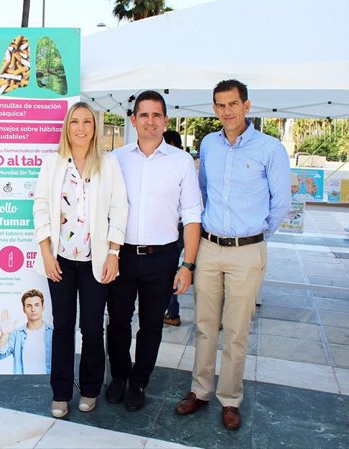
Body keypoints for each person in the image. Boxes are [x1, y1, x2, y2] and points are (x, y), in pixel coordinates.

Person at [175, 79, 291, 430]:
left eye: (233, 104)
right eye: (220, 105)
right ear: (214, 109)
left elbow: (281, 203)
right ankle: (201, 390)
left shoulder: (270, 149)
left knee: (237, 330)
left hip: (247, 251)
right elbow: (205, 191)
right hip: (210, 248)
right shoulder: (209, 144)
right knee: (206, 326)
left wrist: (255, 235)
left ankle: (230, 398)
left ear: (246, 106)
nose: (227, 111)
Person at [106, 91, 203, 412]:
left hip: (162, 258)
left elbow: (191, 214)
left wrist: (187, 264)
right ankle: (119, 376)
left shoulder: (181, 162)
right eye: (143, 115)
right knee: (118, 322)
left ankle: (139, 381)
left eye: (156, 115)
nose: (150, 121)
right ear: (133, 120)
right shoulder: (114, 159)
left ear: (165, 120)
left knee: (152, 325)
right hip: (121, 255)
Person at [33, 101, 128, 418]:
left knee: (91, 327)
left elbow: (119, 210)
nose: (81, 128)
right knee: (62, 327)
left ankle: (89, 389)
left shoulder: (109, 164)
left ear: (95, 127)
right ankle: (60, 393)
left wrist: (114, 253)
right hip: (59, 260)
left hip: (96, 261)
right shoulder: (53, 164)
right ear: (67, 126)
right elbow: (41, 209)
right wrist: (46, 254)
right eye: (75, 121)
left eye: (87, 122)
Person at [0, 289, 53, 374]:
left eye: (37, 305)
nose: (33, 309)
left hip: (48, 384)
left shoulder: (54, 332)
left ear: (43, 307)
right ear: (24, 309)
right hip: (23, 384)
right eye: (29, 306)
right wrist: (4, 335)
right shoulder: (16, 334)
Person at [162, 130, 186, 327]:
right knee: (170, 272)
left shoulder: (180, 164)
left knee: (170, 272)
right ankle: (172, 311)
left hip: (176, 230)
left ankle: (172, 312)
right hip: (180, 228)